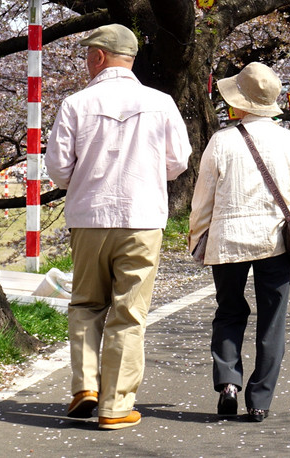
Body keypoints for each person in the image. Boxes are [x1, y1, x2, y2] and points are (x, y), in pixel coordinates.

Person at [45, 24, 192, 430]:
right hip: (142, 217)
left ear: (98, 57)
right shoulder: (160, 102)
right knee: (129, 313)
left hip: (89, 217)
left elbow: (57, 170)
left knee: (86, 304)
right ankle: (114, 406)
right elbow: (178, 160)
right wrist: (145, 172)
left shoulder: (76, 103)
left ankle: (84, 387)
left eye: (87, 55)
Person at [188, 62, 290, 423]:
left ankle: (228, 381)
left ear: (240, 102)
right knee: (272, 319)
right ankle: (259, 400)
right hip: (276, 240)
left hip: (228, 239)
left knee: (229, 311)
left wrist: (198, 239)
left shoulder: (222, 141)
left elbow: (204, 200)